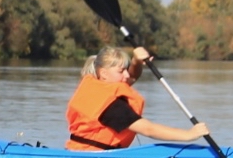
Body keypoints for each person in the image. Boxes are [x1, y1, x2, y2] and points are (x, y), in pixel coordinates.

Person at [66, 45, 212, 150]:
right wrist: (189, 135)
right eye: (121, 71)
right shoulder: (109, 106)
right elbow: (148, 129)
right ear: (103, 73)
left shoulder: (101, 85)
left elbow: (133, 75)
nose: (127, 75)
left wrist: (136, 60)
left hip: (98, 154)